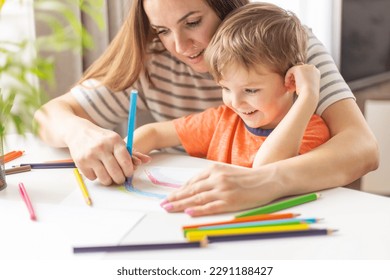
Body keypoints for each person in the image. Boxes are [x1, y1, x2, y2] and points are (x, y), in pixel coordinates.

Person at [34, 0, 378, 216]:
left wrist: (262, 181)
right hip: (191, 211)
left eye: (193, 22)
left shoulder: (285, 46)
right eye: (163, 30)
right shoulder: (151, 56)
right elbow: (48, 116)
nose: (180, 46)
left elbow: (362, 149)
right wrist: (81, 133)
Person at [131, 2, 330, 215]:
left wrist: (307, 97)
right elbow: (154, 133)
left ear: (290, 82)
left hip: (267, 226)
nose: (235, 102)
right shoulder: (224, 120)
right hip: (215, 219)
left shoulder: (310, 130)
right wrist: (125, 153)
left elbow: (265, 168)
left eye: (251, 90)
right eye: (225, 88)